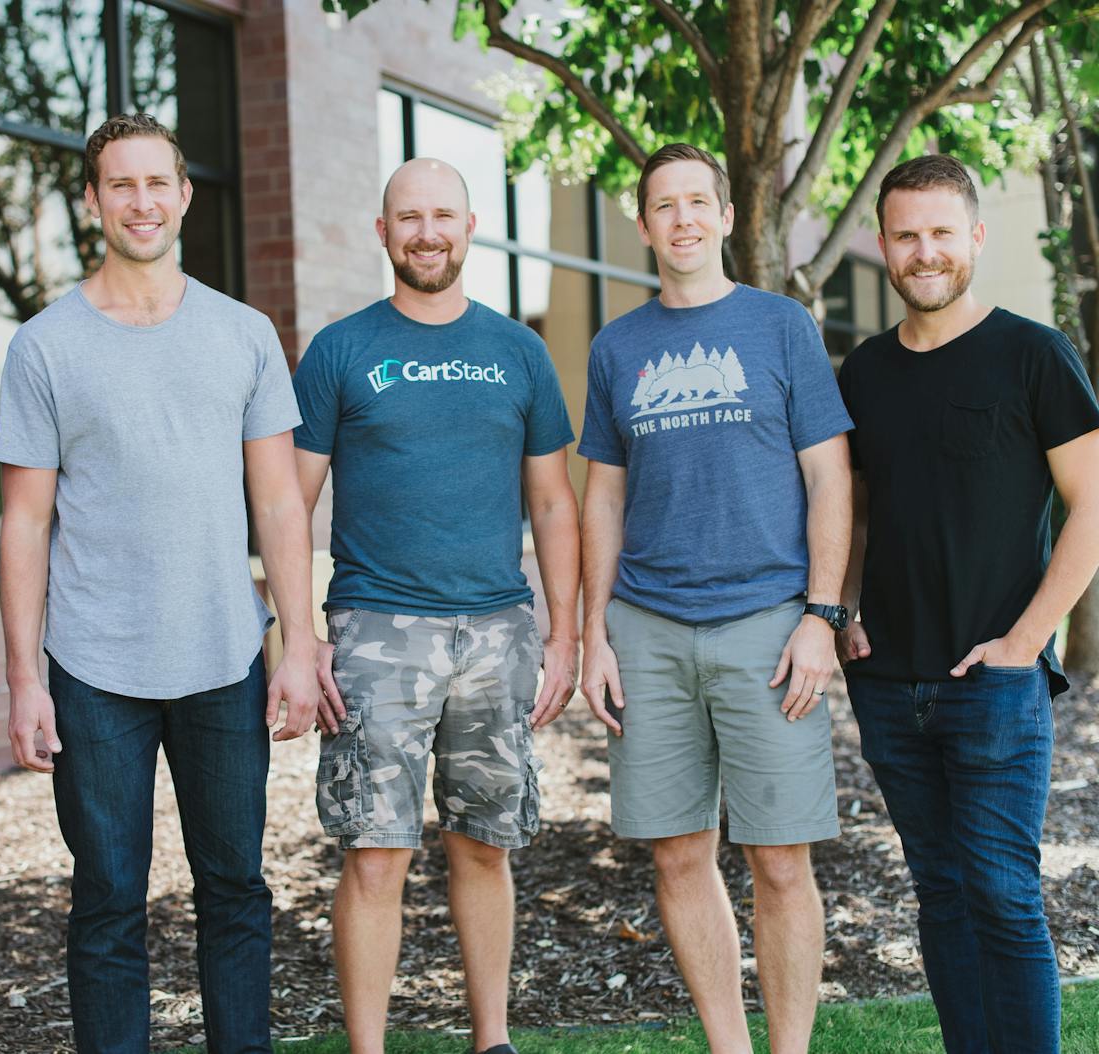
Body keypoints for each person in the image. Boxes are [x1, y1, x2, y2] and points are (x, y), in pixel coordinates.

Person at [0, 113, 318, 1054]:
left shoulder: (244, 333)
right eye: (119, 185)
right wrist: (24, 680)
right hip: (93, 669)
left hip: (223, 656)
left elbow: (281, 508)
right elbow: (24, 522)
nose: (141, 202)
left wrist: (297, 646)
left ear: (182, 195)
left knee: (235, 890)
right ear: (92, 201)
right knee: (106, 901)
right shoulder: (44, 346)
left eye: (157, 184)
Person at [293, 157, 580, 1054]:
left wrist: (564, 634)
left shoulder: (519, 352)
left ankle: (492, 1038)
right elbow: (285, 505)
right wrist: (297, 637)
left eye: (444, 216)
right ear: (384, 233)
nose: (427, 233)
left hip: (498, 629)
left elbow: (554, 503)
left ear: (470, 228)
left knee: (486, 846)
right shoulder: (342, 350)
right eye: (408, 218)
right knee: (375, 852)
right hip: (376, 630)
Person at [578, 143, 853, 1053]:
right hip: (647, 627)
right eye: (666, 205)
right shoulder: (617, 347)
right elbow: (603, 496)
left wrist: (822, 616)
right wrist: (593, 635)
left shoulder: (782, 327)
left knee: (779, 858)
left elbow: (830, 477)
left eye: (700, 202)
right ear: (646, 223)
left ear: (727, 217)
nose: (684, 219)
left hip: (771, 626)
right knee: (678, 850)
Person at [836, 154, 1099, 1053]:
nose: (926, 251)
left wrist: (1028, 640)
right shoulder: (864, 372)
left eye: (943, 232)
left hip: (994, 678)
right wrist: (841, 608)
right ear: (884, 246)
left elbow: (1093, 503)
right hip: (887, 681)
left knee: (1003, 893)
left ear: (976, 238)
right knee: (940, 890)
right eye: (907, 235)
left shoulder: (1033, 354)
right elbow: (857, 510)